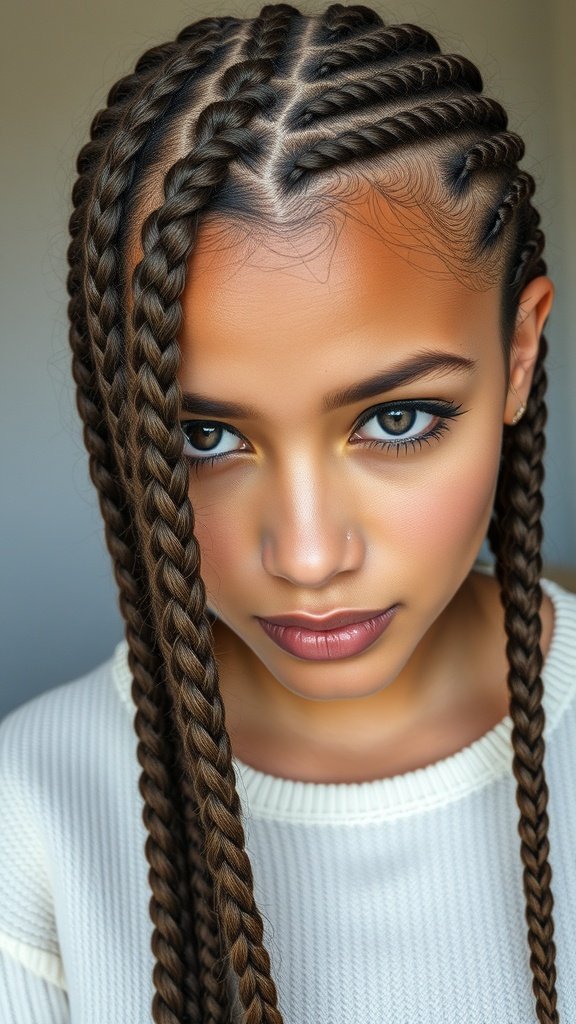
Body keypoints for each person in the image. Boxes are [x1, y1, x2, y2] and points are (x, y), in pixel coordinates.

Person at [1, 3, 575, 1022]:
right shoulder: (34, 809)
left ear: (521, 355)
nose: (308, 555)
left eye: (398, 417)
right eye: (203, 437)